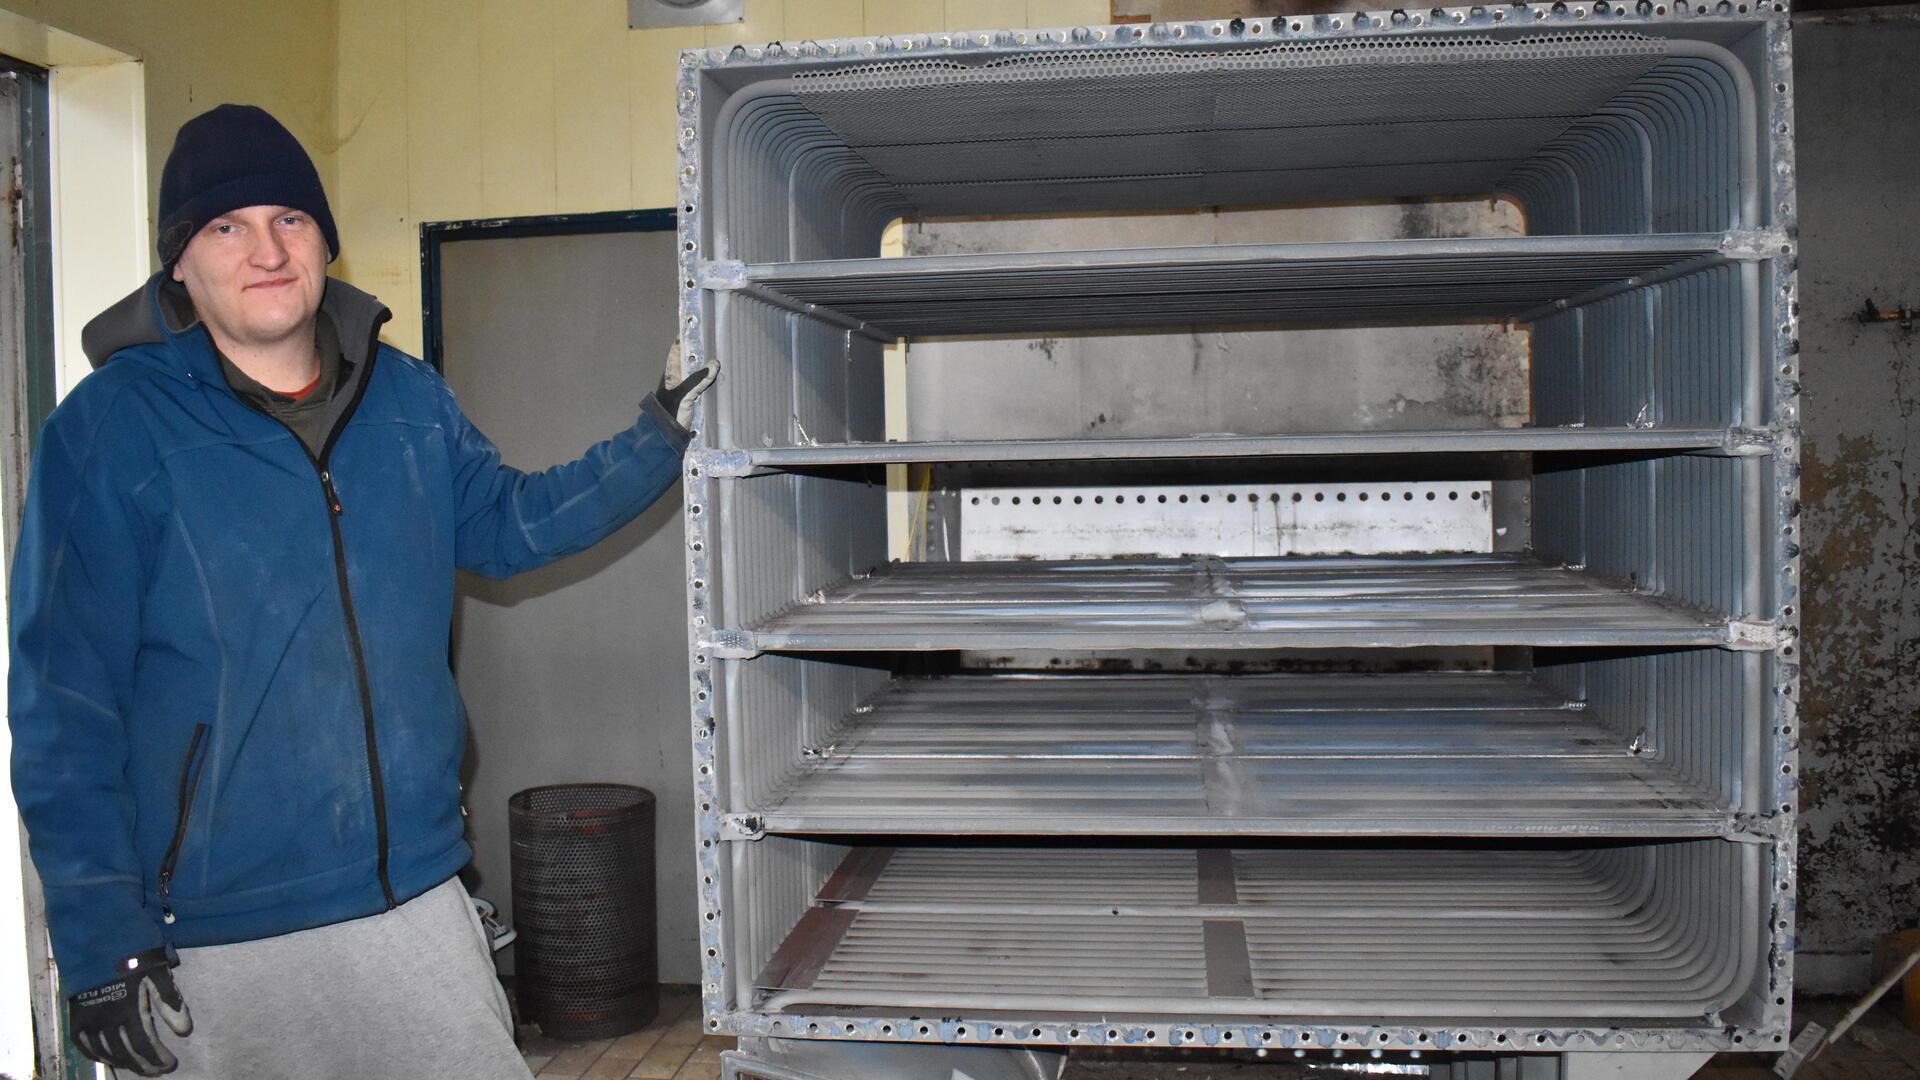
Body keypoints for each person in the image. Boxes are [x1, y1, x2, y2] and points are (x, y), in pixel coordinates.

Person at [6, 104, 714, 1078]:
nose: (265, 250)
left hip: (412, 907)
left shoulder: (409, 400)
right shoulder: (108, 433)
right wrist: (98, 947)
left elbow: (512, 526)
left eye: (289, 220)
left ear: (324, 243)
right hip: (212, 939)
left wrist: (663, 433)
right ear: (178, 262)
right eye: (225, 227)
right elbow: (61, 711)